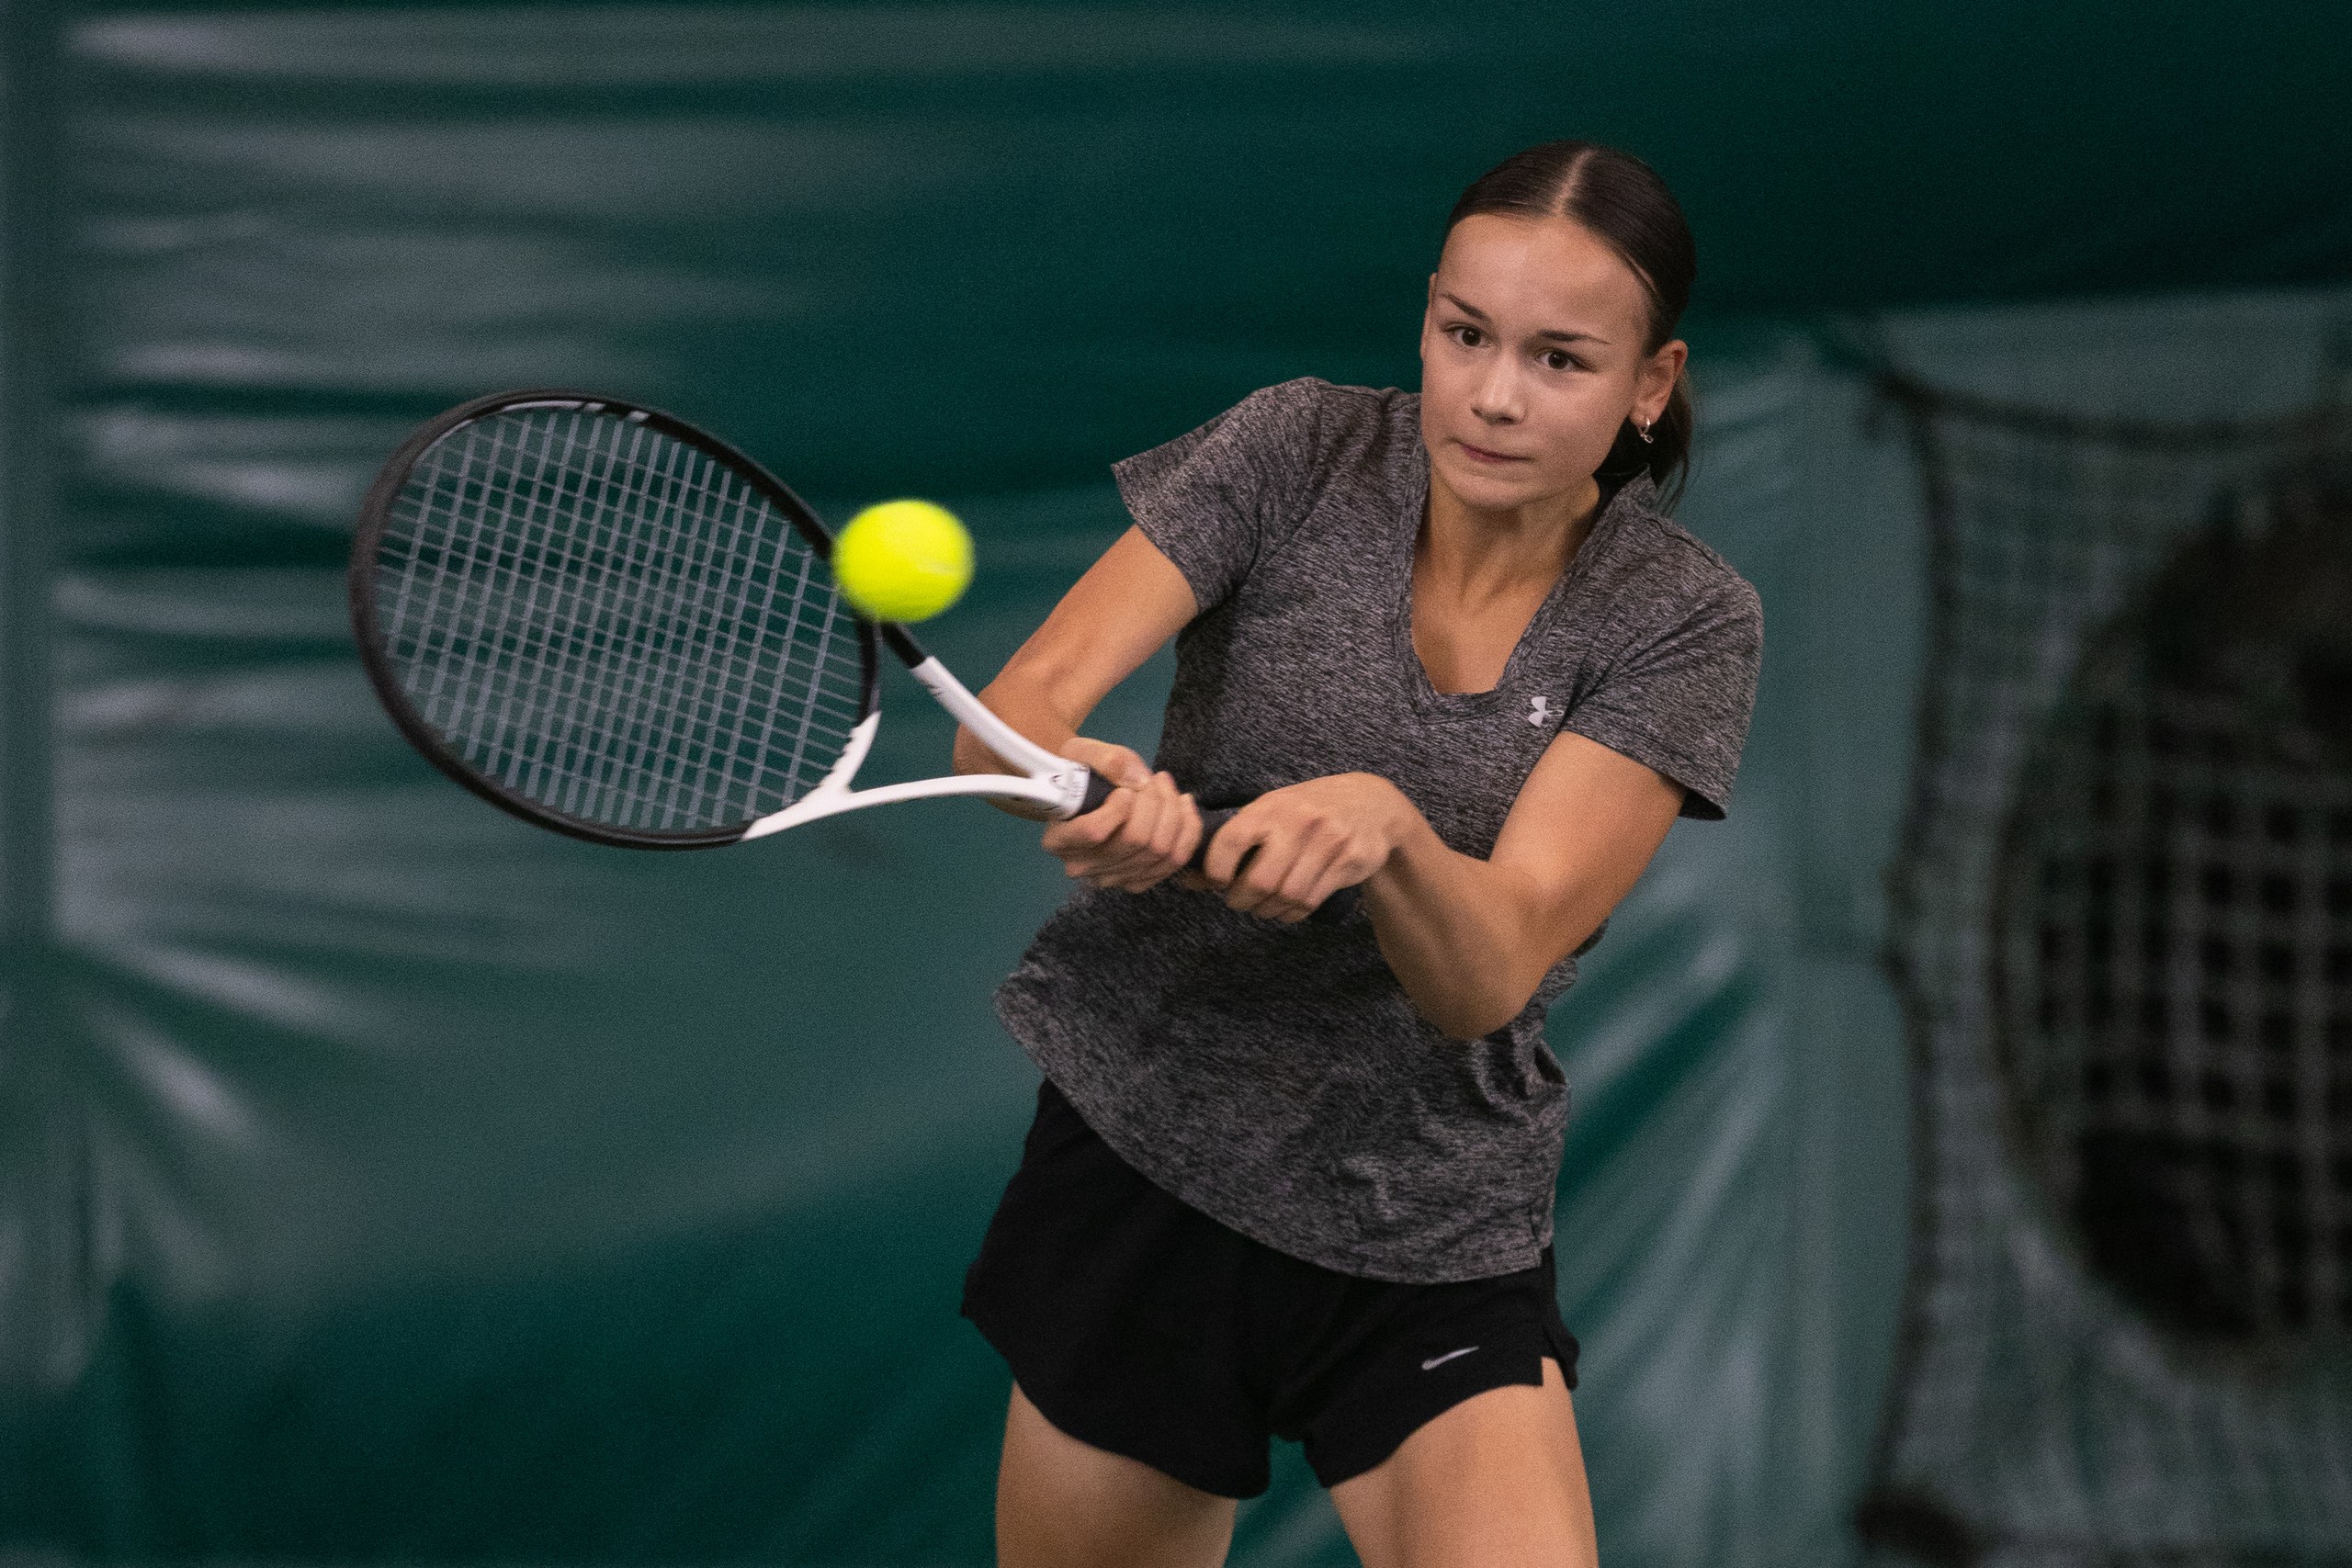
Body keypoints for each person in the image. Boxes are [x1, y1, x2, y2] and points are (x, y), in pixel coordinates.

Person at [948, 139, 1761, 1568]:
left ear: (1652, 384)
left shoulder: (1682, 621)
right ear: (1428, 319)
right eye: (1465, 334)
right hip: (1146, 1157)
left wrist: (1390, 832)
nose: (1493, 394)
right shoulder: (1294, 447)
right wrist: (1087, 785)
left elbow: (1490, 969)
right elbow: (1007, 723)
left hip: (1427, 1218)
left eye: (1561, 360)